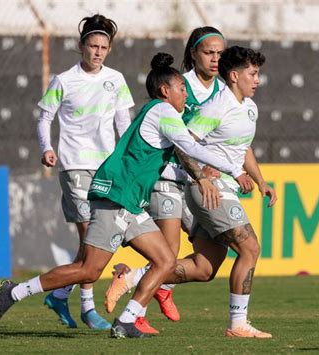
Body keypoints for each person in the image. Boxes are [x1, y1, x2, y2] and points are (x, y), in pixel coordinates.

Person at [0, 52, 253, 339]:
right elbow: (192, 147)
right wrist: (235, 169)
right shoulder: (163, 111)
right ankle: (14, 291)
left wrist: (202, 174)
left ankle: (126, 321)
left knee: (165, 261)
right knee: (88, 270)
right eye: (182, 90)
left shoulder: (159, 113)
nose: (186, 97)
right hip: (116, 197)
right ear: (166, 91)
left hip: (132, 204)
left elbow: (174, 158)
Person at [106, 46, 277, 338]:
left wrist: (260, 181)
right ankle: (238, 324)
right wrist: (202, 178)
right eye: (253, 73)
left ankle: (131, 276)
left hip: (227, 188)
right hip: (212, 192)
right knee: (250, 249)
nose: (257, 80)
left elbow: (242, 146)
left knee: (204, 268)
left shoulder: (249, 107)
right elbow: (185, 146)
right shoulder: (216, 107)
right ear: (235, 76)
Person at [104, 26, 228, 334]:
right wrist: (202, 174)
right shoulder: (175, 86)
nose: (215, 60)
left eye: (220, 54)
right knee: (166, 253)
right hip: (171, 178)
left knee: (208, 261)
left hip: (199, 182)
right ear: (193, 54)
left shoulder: (224, 91)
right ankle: (136, 314)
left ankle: (144, 280)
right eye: (209, 53)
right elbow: (181, 143)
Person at [36, 14, 134, 330]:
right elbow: (43, 118)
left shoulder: (116, 79)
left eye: (103, 47)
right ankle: (88, 309)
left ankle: (60, 293)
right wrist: (46, 148)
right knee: (91, 238)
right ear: (81, 46)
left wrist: (129, 161)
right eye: (93, 46)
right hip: (74, 164)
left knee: (96, 242)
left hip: (106, 168)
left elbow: (124, 125)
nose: (98, 52)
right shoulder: (64, 80)